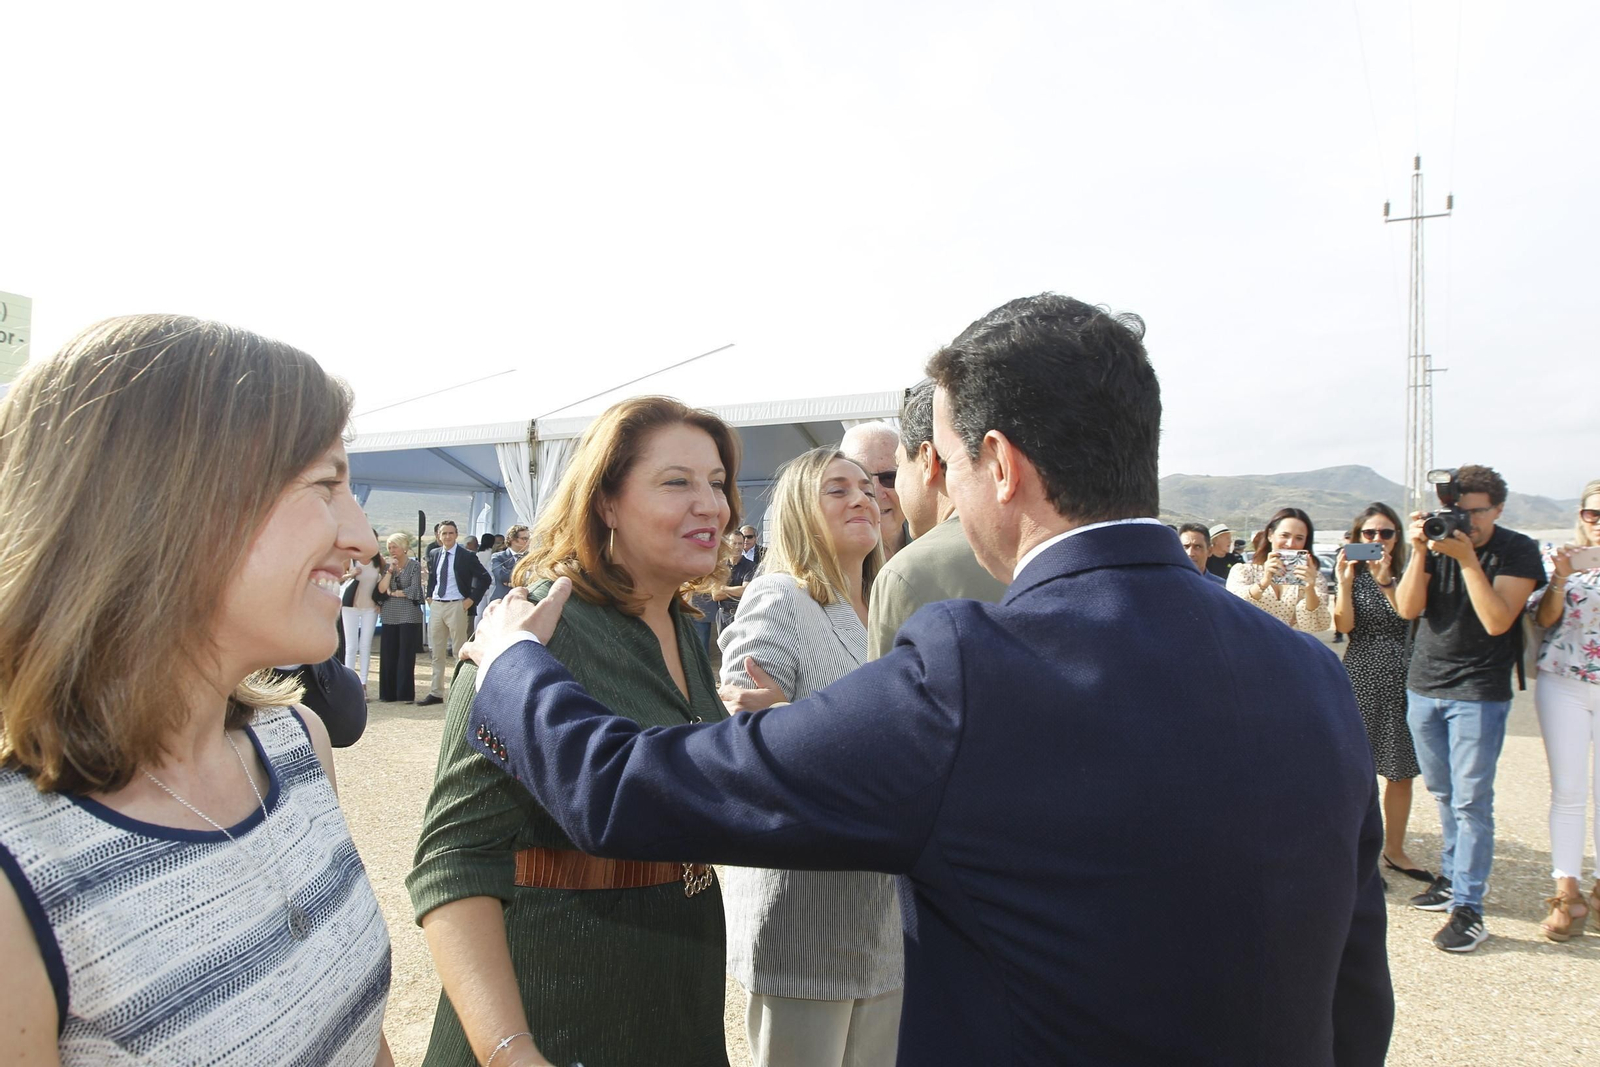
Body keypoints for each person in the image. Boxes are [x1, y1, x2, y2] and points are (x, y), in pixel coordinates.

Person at [464, 294, 1393, 1066]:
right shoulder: (1308, 671)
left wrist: (511, 668)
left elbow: (632, 789)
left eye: (943, 464)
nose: (928, 494)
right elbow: (1356, 989)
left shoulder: (975, 673)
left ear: (1000, 465)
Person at [0, 315, 393, 1065]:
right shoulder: (19, 870)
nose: (364, 538)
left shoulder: (298, 746)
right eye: (324, 485)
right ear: (172, 506)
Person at [408, 396, 740, 1067]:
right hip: (558, 1009)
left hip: (674, 1004)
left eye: (718, 482)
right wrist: (511, 1052)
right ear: (606, 502)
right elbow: (455, 857)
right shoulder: (534, 629)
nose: (712, 504)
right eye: (677, 481)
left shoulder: (682, 623)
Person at [716, 447, 901, 1067]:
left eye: (868, 489)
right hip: (806, 915)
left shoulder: (886, 605)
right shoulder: (779, 597)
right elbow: (742, 723)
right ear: (798, 511)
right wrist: (784, 723)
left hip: (883, 918)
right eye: (837, 490)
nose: (862, 498)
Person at [1395, 464, 1544, 952]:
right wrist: (1420, 552)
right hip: (1424, 684)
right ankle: (1453, 878)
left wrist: (1467, 561)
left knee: (1471, 800)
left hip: (1479, 690)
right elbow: (1407, 609)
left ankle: (1469, 907)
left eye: (1477, 513)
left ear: (1498, 509)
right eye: (1459, 511)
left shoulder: (1516, 550)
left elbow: (1499, 620)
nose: (1467, 522)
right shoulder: (1437, 542)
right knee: (1442, 792)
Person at [866, 379, 1008, 658]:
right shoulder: (1036, 540)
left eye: (895, 470)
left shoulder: (906, 573)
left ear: (928, 460)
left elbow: (889, 700)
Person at [1333, 503, 1429, 885]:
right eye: (1368, 535)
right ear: (1356, 539)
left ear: (1398, 537)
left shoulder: (1411, 571)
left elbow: (1409, 615)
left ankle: (1395, 848)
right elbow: (1344, 625)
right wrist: (1343, 582)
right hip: (1360, 674)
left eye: (1385, 533)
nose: (1377, 541)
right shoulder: (1351, 576)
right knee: (1358, 771)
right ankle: (1360, 851)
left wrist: (1387, 578)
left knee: (1400, 771)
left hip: (1406, 676)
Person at [1526, 480, 1600, 941]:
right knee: (1568, 791)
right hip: (1565, 682)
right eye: (1594, 514)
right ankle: (1566, 892)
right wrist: (1559, 576)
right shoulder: (1565, 558)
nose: (1599, 523)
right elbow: (1544, 619)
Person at [420, 520, 490, 706]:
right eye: (444, 533)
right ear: (438, 536)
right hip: (437, 606)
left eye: (451, 533)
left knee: (460, 651)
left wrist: (470, 600)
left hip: (457, 605)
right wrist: (429, 597)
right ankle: (436, 692)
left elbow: (485, 578)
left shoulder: (466, 555)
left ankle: (460, 692)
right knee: (437, 650)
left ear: (456, 534)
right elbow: (434, 577)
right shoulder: (435, 554)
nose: (447, 536)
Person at [1226, 507, 1331, 632]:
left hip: (1293, 648)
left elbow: (1316, 625)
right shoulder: (1244, 571)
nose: (1290, 543)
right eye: (1284, 535)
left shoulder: (1313, 578)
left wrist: (1309, 589)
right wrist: (1264, 582)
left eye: (1299, 538)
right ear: (1270, 535)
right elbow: (1233, 608)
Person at [841, 421, 909, 559]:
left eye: (889, 478)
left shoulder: (936, 547)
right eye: (862, 479)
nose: (875, 494)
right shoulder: (823, 563)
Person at [377, 533, 425, 703]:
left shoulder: (414, 566)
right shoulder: (387, 567)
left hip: (409, 615)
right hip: (390, 614)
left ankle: (405, 694)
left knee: (405, 655)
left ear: (404, 547)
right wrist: (390, 570)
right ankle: (387, 694)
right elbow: (382, 589)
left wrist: (396, 593)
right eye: (390, 547)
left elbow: (415, 589)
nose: (392, 550)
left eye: (395, 547)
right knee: (389, 654)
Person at [342, 547, 384, 687]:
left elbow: (384, 581)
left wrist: (381, 601)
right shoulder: (350, 559)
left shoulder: (378, 560)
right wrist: (350, 574)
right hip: (350, 607)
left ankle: (363, 683)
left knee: (365, 645)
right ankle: (350, 683)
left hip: (370, 608)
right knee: (351, 646)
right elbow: (337, 579)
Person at [714, 524, 762, 628]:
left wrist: (723, 588)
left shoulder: (750, 566)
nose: (737, 547)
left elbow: (745, 591)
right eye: (734, 543)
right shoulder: (720, 566)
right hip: (723, 616)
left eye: (740, 543)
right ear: (727, 544)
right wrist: (737, 590)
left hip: (742, 615)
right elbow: (716, 595)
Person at [488, 525, 530, 606]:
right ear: (512, 540)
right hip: (501, 601)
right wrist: (525, 576)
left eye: (528, 538)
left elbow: (535, 576)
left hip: (524, 602)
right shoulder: (498, 556)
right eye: (524, 539)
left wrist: (511, 582)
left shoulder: (532, 557)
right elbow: (501, 575)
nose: (528, 542)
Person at [1179, 522, 1226, 587]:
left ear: (1209, 551)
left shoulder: (1221, 586)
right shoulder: (1167, 584)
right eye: (1185, 547)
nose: (1190, 553)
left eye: (1197, 547)